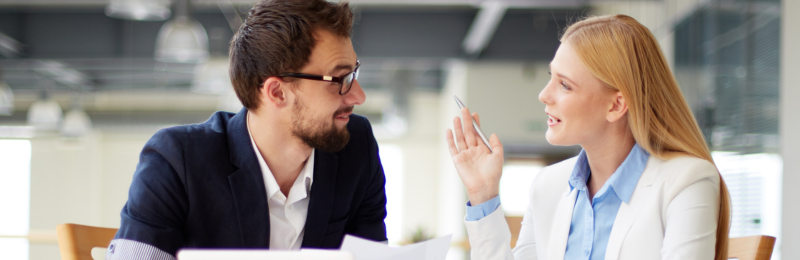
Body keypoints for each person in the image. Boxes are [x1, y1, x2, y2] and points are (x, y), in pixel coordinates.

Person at [106, 0, 387, 259]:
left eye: (354, 73)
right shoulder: (176, 160)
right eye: (340, 78)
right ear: (277, 92)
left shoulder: (356, 148)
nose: (358, 96)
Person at [446, 15, 731, 260]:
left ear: (616, 105)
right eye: (551, 77)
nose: (544, 95)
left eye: (565, 85)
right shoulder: (548, 186)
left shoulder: (687, 181)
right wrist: (483, 194)